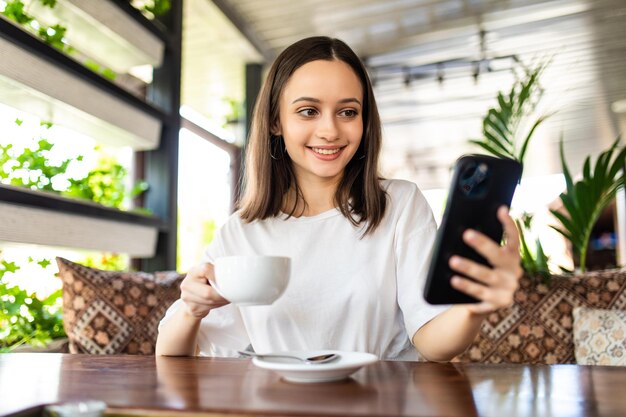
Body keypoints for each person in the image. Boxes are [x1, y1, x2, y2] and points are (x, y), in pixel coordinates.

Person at [156, 36, 522, 361]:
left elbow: (433, 342)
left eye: (348, 112)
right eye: (308, 111)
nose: (330, 130)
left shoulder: (399, 205)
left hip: (382, 403)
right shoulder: (242, 232)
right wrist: (191, 307)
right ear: (275, 122)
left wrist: (475, 307)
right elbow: (171, 351)